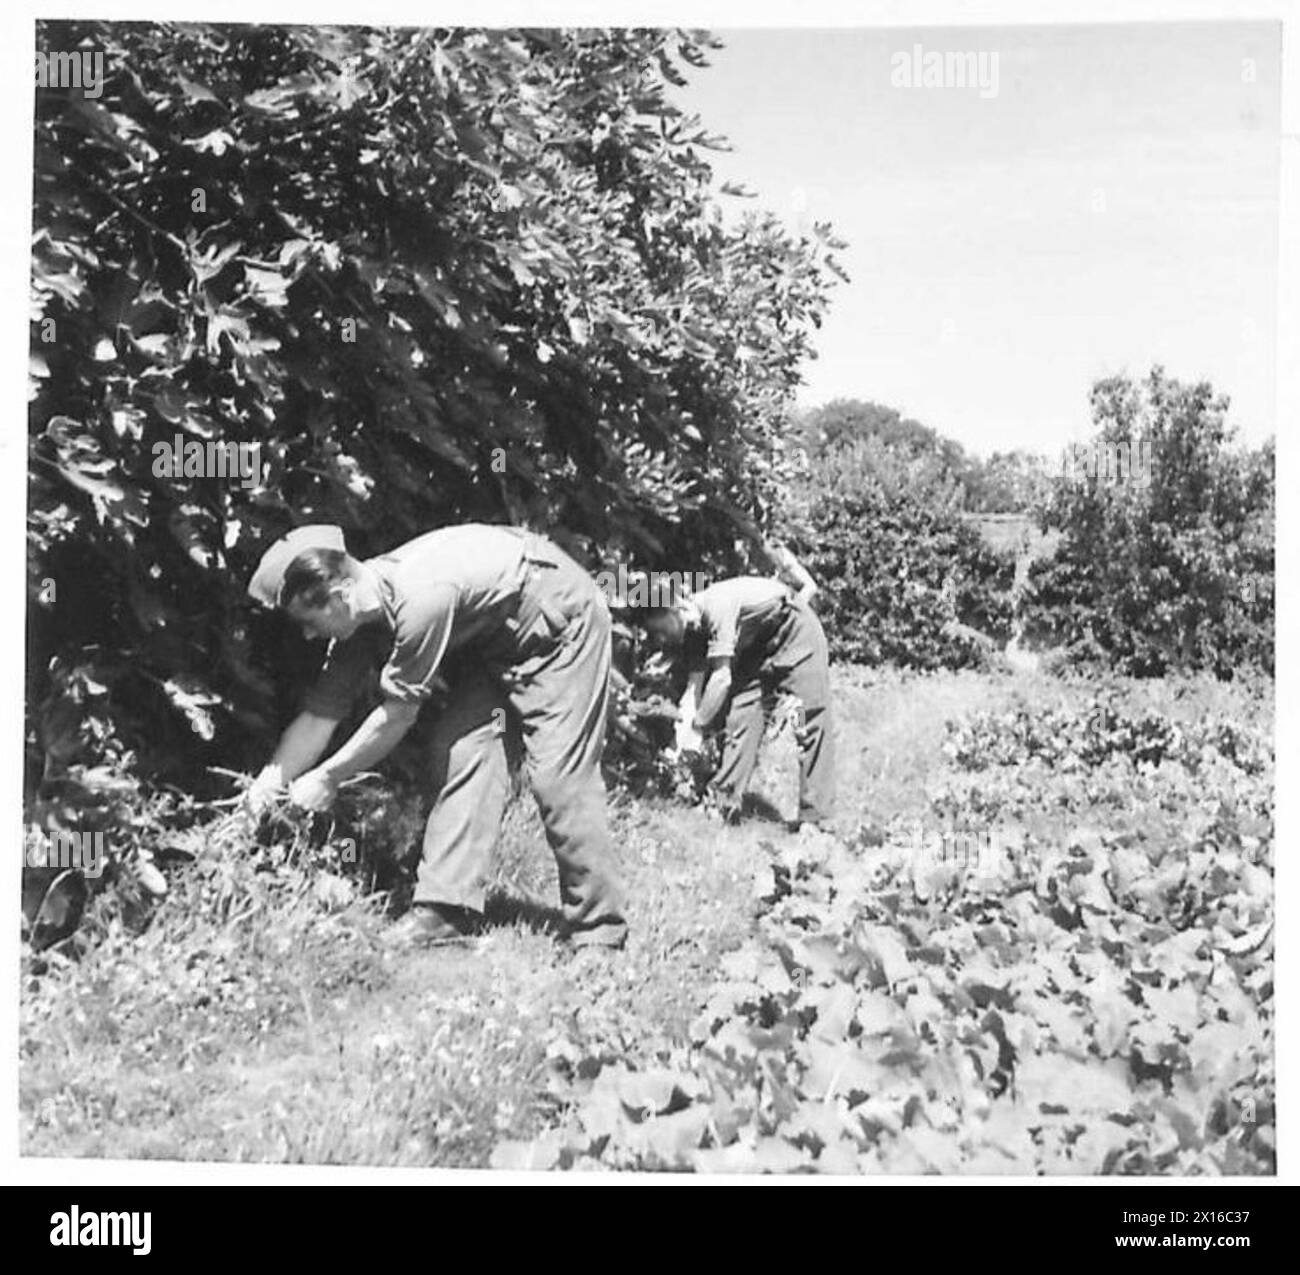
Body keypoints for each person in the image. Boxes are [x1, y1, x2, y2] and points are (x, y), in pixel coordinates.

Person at [244, 523, 627, 949]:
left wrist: (328, 779)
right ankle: (447, 912)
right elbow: (319, 717)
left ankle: (599, 933)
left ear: (339, 595)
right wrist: (267, 785)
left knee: (559, 777)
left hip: (562, 625)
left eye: (308, 621)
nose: (308, 635)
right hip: (500, 644)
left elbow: (397, 716)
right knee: (462, 750)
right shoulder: (361, 620)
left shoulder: (421, 597)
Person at [637, 576, 834, 831]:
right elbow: (695, 691)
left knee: (806, 719)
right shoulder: (693, 630)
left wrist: (698, 729)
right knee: (741, 716)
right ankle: (721, 804)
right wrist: (684, 738)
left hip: (795, 631)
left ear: (676, 609)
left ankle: (815, 819)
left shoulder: (717, 605)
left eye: (661, 631)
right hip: (759, 646)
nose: (660, 640)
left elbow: (721, 680)